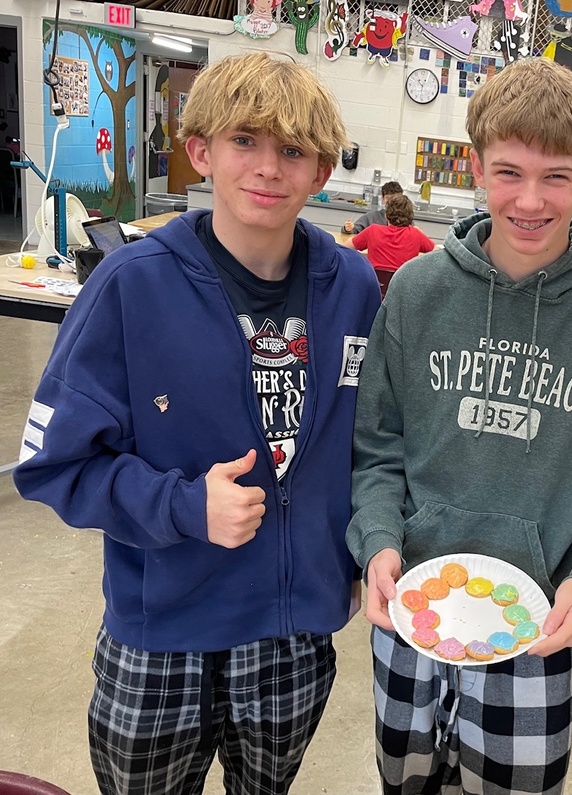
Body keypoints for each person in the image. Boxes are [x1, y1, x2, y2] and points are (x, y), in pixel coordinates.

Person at [13, 52, 381, 795]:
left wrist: (351, 559)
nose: (269, 167)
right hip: (164, 638)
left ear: (320, 172)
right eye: (245, 140)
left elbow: (370, 443)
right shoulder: (130, 284)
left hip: (293, 635)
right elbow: (53, 464)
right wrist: (182, 504)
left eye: (293, 149)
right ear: (201, 152)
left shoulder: (353, 286)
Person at [346, 57, 572, 795]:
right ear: (475, 165)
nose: (530, 199)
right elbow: (377, 447)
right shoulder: (419, 289)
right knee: (404, 782)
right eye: (508, 172)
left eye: (556, 176)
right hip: (412, 617)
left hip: (539, 627)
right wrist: (376, 543)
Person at [349, 193, 434, 297]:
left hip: (373, 293)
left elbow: (345, 248)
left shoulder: (373, 230)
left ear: (386, 215)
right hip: (402, 296)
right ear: (410, 216)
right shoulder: (416, 235)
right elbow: (438, 254)